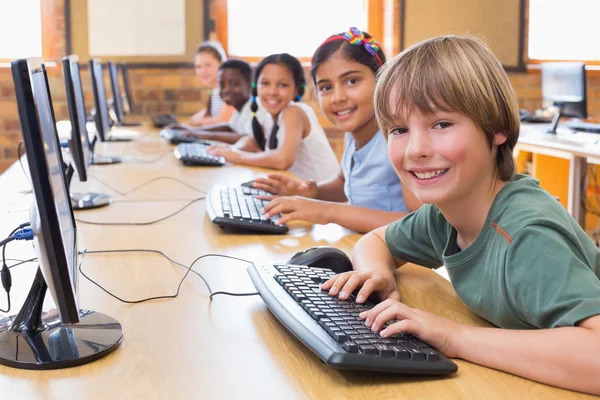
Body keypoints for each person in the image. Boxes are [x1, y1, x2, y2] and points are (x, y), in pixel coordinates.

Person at [321, 35, 600, 395]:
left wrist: (454, 336)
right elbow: (377, 240)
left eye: (441, 124)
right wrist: (377, 273)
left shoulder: (527, 236)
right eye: (399, 130)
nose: (417, 149)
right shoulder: (444, 213)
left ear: (497, 128)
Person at [254, 28, 420, 233]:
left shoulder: (400, 140)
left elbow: (419, 225)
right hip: (361, 246)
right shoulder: (355, 133)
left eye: (352, 81)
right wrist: (309, 191)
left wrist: (327, 212)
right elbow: (344, 183)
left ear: (382, 80)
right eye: (326, 87)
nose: (337, 98)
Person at [208, 53, 339, 182]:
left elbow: (283, 160)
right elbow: (251, 141)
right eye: (265, 83)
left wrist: (238, 156)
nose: (272, 92)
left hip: (322, 199)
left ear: (296, 89)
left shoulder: (294, 112)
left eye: (282, 85)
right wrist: (231, 149)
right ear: (255, 87)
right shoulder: (272, 117)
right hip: (301, 196)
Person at [180, 59, 266, 144]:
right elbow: (229, 127)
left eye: (233, 84)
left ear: (250, 85)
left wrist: (210, 136)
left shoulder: (256, 108)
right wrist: (194, 130)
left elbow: (251, 138)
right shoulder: (240, 108)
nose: (226, 90)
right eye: (222, 85)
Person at [187, 41, 234, 127]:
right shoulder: (214, 92)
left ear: (222, 64)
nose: (203, 71)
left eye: (208, 65)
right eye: (198, 67)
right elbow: (195, 118)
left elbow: (224, 120)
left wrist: (199, 121)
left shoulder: (230, 90)